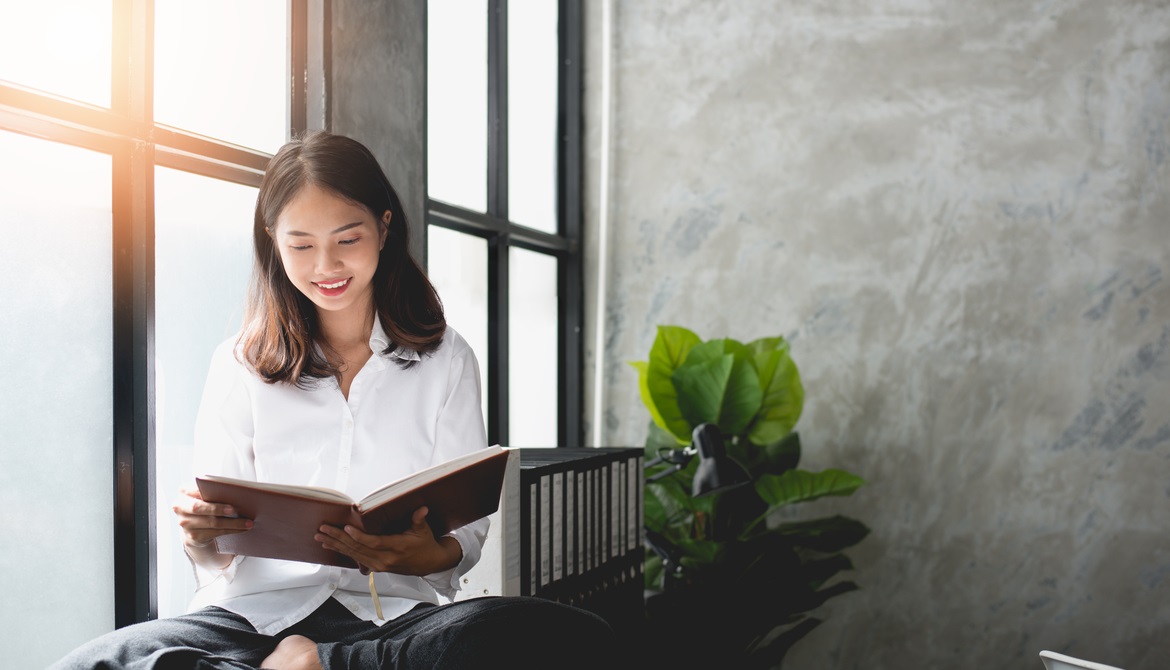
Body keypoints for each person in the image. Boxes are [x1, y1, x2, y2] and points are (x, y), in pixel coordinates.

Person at [52, 131, 617, 670]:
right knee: (92, 664)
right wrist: (202, 536)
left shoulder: (445, 358)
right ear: (273, 240)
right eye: (301, 244)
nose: (326, 267)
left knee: (571, 636)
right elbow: (218, 554)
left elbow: (463, 540)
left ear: (385, 226)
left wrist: (421, 555)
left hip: (394, 618)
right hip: (255, 619)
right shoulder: (240, 361)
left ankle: (326, 664)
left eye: (348, 239)